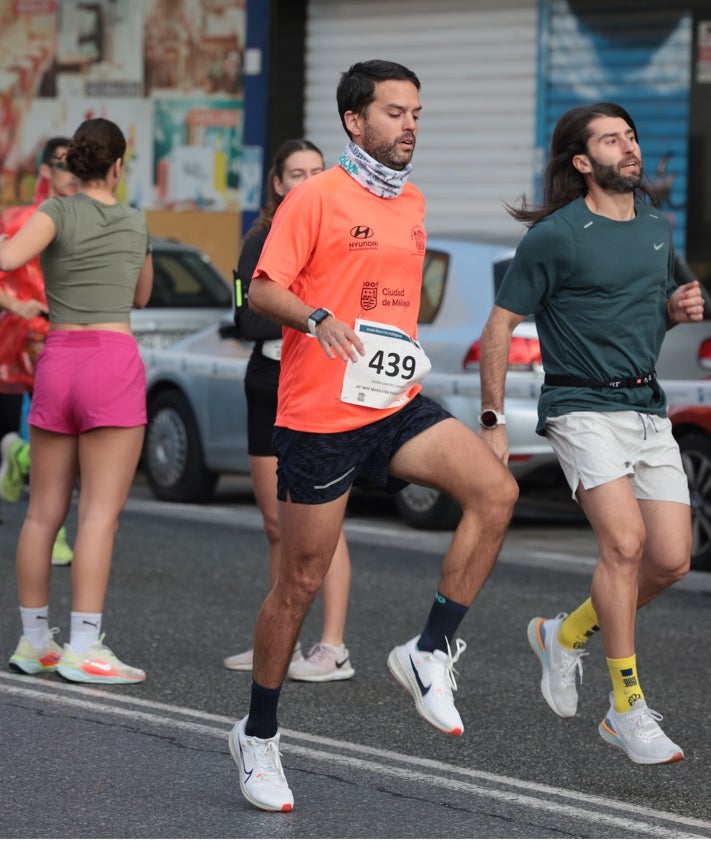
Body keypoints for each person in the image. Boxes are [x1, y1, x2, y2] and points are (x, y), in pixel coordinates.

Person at [227, 59, 519, 812]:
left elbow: (394, 307)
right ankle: (258, 734)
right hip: (319, 415)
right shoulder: (314, 197)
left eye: (416, 112)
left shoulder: (414, 201)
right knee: (299, 581)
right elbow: (262, 288)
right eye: (394, 112)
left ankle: (427, 650)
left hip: (391, 400)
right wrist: (315, 316)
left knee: (495, 489)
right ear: (355, 121)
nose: (410, 124)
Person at [478, 102, 703, 765]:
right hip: (578, 405)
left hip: (645, 408)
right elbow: (497, 327)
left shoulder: (658, 230)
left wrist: (673, 310)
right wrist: (492, 421)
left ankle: (563, 632)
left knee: (670, 560)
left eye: (630, 135)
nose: (629, 146)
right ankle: (625, 707)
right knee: (625, 544)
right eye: (611, 139)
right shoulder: (556, 235)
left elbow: (642, 323)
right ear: (582, 162)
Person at [0, 117, 153, 683]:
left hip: (58, 358)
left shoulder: (54, 213)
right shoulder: (135, 221)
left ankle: (35, 641)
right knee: (97, 516)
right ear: (118, 166)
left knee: (42, 513)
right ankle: (85, 647)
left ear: (71, 167)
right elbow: (142, 293)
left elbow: (11, 260)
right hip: (111, 360)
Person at [223, 138, 356, 682]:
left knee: (325, 525)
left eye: (316, 171)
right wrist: (306, 315)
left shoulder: (342, 235)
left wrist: (301, 314)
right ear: (277, 183)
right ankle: (281, 641)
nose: (306, 180)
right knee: (279, 525)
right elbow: (246, 320)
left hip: (321, 382)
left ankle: (332, 647)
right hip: (268, 382)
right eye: (296, 172)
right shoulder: (258, 241)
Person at [0, 137, 79, 566]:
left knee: (64, 438)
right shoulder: (20, 218)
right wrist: (14, 303)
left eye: (78, 165)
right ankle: (55, 532)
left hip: (68, 339)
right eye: (63, 164)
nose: (72, 173)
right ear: (44, 170)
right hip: (18, 342)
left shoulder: (89, 216)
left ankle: (14, 454)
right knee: (49, 441)